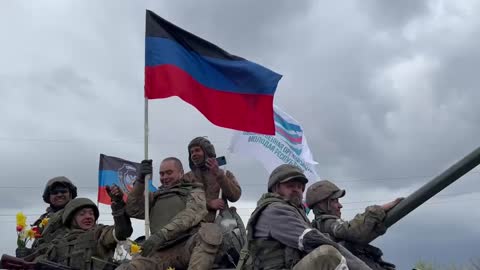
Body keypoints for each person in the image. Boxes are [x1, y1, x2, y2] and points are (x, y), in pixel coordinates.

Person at [237, 164, 373, 270]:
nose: (296, 190)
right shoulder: (275, 211)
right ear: (275, 188)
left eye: (300, 187)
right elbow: (313, 240)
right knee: (327, 254)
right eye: (290, 185)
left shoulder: (296, 213)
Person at [117, 157, 223, 270]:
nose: (165, 177)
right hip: (159, 254)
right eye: (162, 174)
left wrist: (162, 234)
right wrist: (140, 181)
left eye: (169, 173)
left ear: (181, 173)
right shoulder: (154, 197)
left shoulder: (193, 191)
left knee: (210, 230)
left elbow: (191, 214)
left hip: (185, 247)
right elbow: (133, 209)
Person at [306, 180, 402, 270]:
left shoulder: (325, 226)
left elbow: (361, 236)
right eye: (335, 201)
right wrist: (377, 210)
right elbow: (352, 232)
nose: (340, 206)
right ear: (322, 204)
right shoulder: (326, 224)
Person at [35, 185, 133, 270]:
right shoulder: (58, 242)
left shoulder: (99, 233)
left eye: (91, 213)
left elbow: (122, 232)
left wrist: (118, 204)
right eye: (82, 214)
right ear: (71, 219)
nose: (88, 216)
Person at [184, 137, 246, 267]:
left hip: (221, 229)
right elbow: (182, 200)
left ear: (207, 151)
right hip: (194, 231)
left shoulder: (224, 173)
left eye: (197, 150)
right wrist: (208, 203)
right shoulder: (187, 178)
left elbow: (235, 195)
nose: (194, 154)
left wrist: (219, 175)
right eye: (191, 152)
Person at [16, 176, 78, 258]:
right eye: (55, 192)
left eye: (63, 191)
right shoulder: (43, 219)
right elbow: (39, 245)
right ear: (49, 196)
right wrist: (28, 253)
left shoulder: (79, 214)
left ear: (70, 194)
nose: (59, 195)